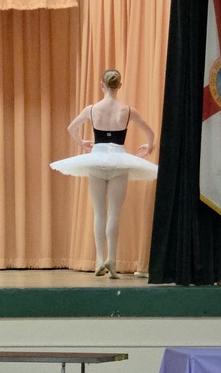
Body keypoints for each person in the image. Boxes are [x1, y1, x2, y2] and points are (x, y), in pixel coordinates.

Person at [50, 69, 157, 279]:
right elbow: (150, 132)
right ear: (119, 85)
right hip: (119, 160)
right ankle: (112, 260)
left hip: (97, 159)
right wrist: (148, 146)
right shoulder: (127, 110)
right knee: (114, 212)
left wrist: (81, 143)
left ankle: (100, 259)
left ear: (102, 85)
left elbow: (72, 128)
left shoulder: (91, 109)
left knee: (99, 212)